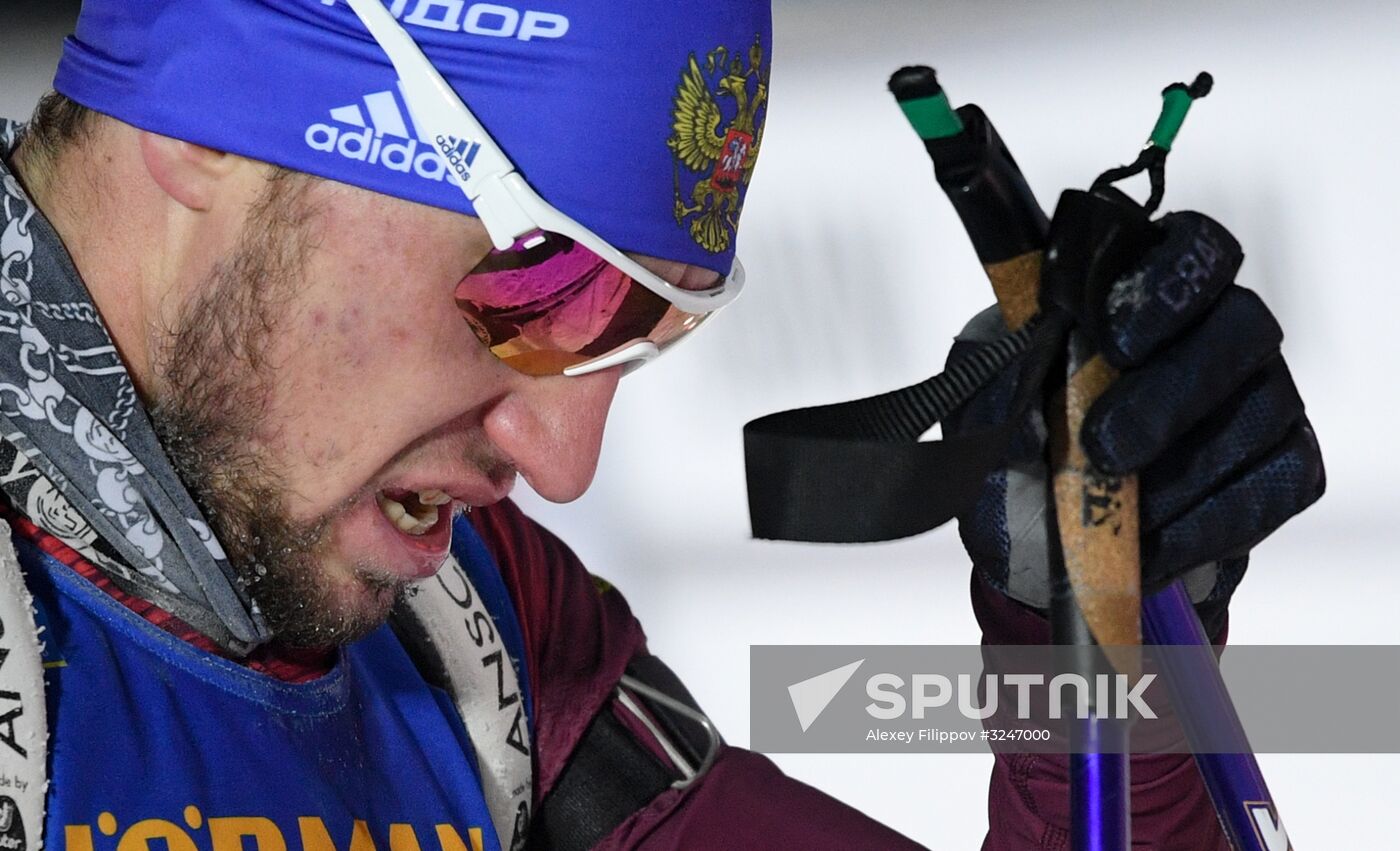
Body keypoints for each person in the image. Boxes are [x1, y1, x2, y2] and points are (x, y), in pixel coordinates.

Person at [0, 2, 1322, 850]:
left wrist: (1112, 665)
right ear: (206, 121)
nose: (561, 468)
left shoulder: (480, 636)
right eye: (545, 292)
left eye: (645, 336)